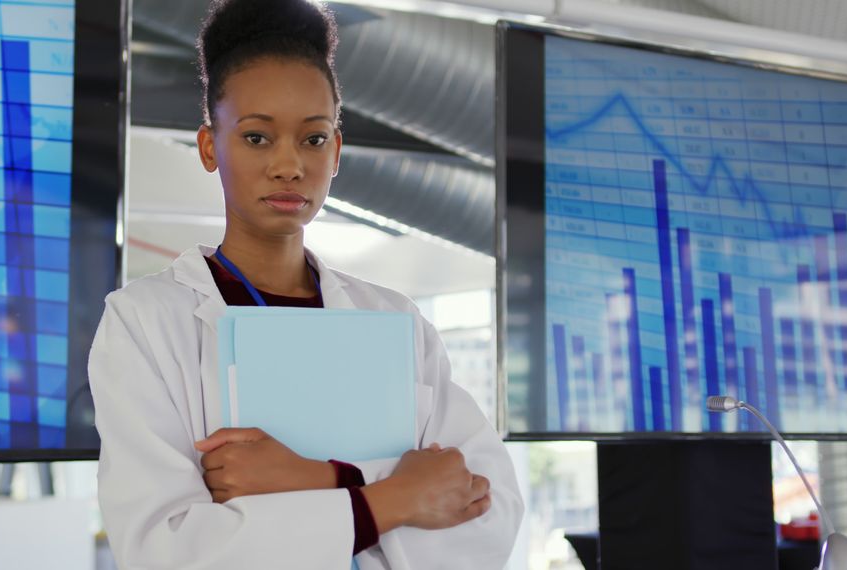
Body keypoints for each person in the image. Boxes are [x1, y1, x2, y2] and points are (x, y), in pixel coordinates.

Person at [87, 0, 523, 567]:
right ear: (208, 146)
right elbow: (167, 549)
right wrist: (393, 498)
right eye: (257, 138)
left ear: (336, 151)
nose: (289, 165)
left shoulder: (395, 320)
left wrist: (321, 479)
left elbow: (490, 512)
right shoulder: (144, 321)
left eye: (313, 139)